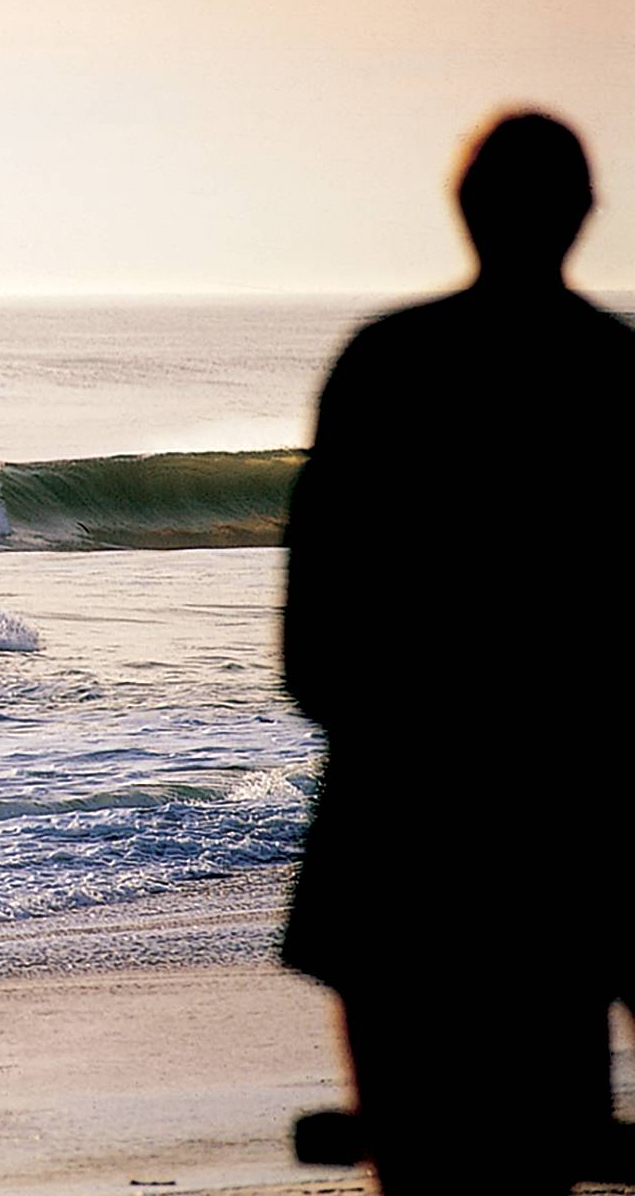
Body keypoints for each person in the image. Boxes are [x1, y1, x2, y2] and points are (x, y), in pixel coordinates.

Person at [282, 111, 633, 1193]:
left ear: (463, 209)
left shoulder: (385, 364)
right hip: (569, 833)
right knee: (544, 1156)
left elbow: (312, 645)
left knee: (418, 1161)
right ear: (584, 215)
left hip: (401, 834)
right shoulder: (617, 375)